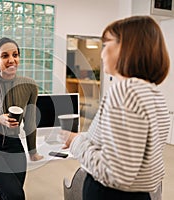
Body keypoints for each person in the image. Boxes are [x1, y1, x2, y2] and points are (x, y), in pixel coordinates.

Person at [60, 15, 170, 200]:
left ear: (128, 47)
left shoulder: (124, 90)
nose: (102, 54)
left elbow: (115, 173)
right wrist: (84, 137)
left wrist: (76, 142)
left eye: (107, 44)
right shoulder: (153, 94)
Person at [0, 37, 44, 200]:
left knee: (11, 195)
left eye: (15, 55)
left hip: (14, 145)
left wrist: (33, 151)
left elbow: (30, 122)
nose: (11, 60)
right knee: (16, 195)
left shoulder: (30, 86)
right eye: (5, 56)